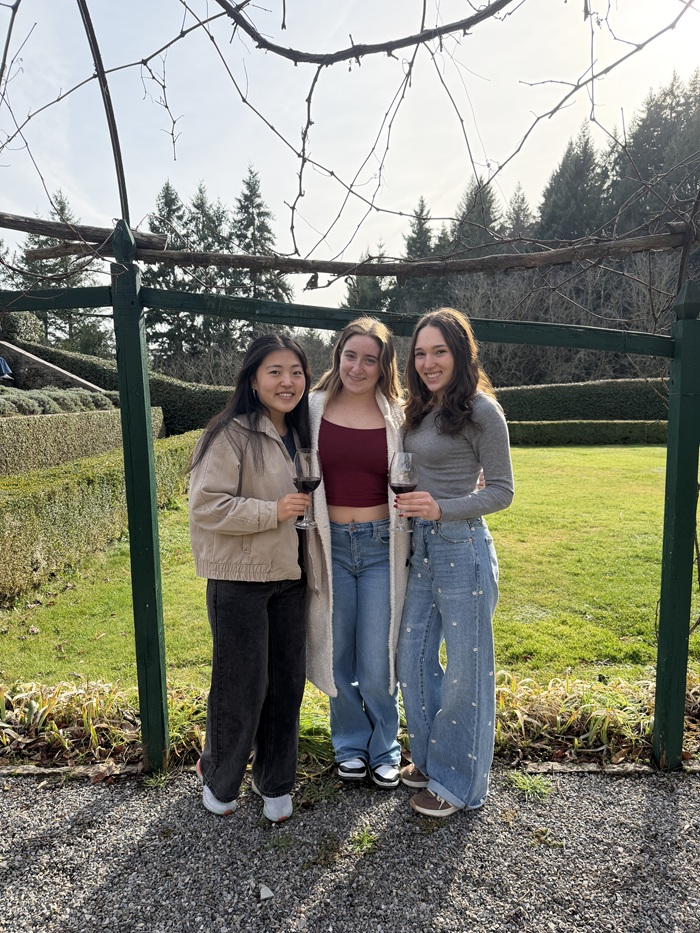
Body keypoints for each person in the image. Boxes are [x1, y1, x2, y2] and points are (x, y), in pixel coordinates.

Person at [188, 334, 313, 822]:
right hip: (239, 579)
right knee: (242, 687)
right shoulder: (230, 434)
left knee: (286, 685)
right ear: (254, 380)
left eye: (296, 371)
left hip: (290, 577)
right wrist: (274, 510)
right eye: (275, 371)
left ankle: (276, 781)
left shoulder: (301, 434)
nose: (287, 381)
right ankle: (219, 777)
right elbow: (205, 506)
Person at [395, 308, 514, 818]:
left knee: (466, 670)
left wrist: (443, 507)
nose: (427, 361)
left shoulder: (481, 411)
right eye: (420, 353)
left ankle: (459, 784)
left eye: (438, 351)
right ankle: (429, 759)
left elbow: (503, 492)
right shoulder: (419, 408)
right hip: (420, 547)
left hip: (461, 548)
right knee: (412, 657)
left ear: (460, 353)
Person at [305, 317, 410, 788]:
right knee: (337, 653)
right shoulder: (311, 409)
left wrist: (475, 476)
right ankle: (349, 743)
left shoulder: (399, 416)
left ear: (384, 364)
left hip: (381, 547)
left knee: (377, 657)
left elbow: (434, 457)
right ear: (338, 356)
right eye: (351, 355)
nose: (358, 367)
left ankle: (385, 745)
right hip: (330, 546)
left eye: (370, 359)